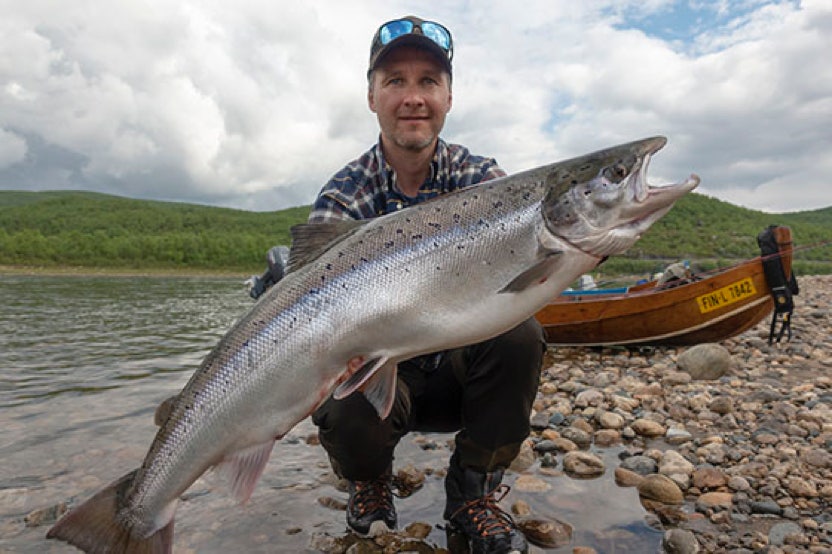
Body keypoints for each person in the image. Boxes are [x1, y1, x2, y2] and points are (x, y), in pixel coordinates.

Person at [253, 15, 544, 554]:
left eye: (428, 81)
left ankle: (471, 491)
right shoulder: (344, 195)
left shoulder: (481, 180)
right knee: (338, 387)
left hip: (460, 372)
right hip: (384, 381)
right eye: (396, 81)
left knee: (521, 334)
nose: (413, 97)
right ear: (371, 97)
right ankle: (368, 479)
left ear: (449, 98)